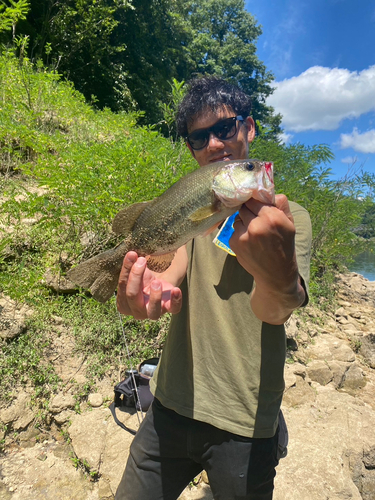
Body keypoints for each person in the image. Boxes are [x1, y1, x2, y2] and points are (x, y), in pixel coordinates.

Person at [115, 76, 312, 500]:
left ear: (249, 128)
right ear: (191, 148)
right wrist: (147, 292)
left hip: (245, 424)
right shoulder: (200, 220)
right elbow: (169, 273)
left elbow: (274, 310)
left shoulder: (290, 219)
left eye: (225, 128)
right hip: (168, 406)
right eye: (199, 137)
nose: (214, 144)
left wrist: (279, 278)